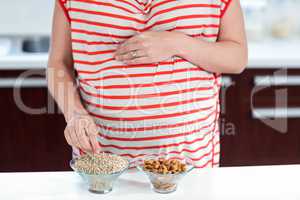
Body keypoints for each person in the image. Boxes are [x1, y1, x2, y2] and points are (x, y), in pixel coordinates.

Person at [48, 0, 247, 168]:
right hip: (102, 165)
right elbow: (59, 62)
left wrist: (177, 43)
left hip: (191, 163)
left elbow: (237, 58)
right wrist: (74, 113)